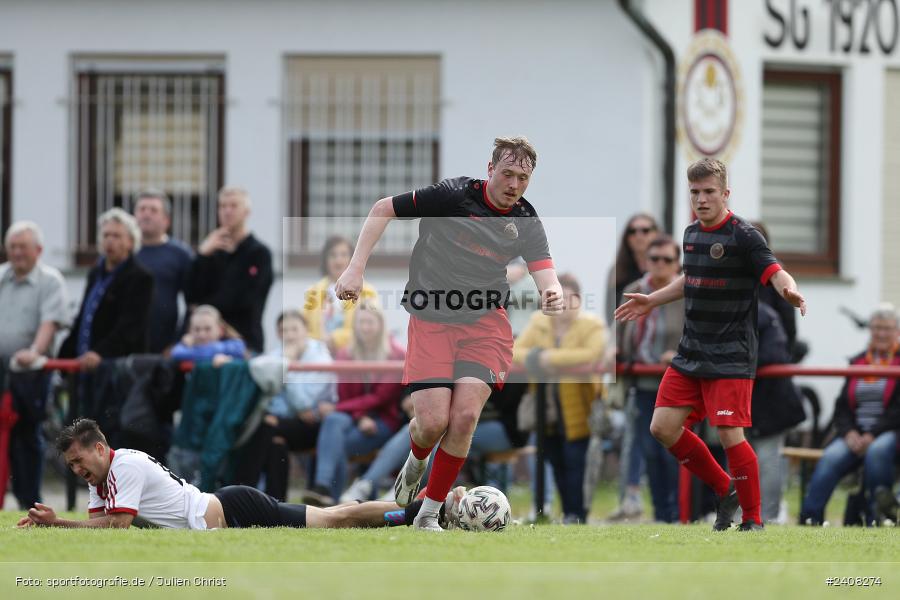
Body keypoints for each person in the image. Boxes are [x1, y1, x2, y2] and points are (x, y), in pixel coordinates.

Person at [334, 136, 564, 531]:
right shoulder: (453, 195)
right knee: (432, 422)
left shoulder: (524, 219)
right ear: (490, 170)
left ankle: (427, 515)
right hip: (432, 318)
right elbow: (382, 209)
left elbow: (546, 272)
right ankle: (417, 458)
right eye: (507, 174)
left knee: (465, 416)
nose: (514, 184)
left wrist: (552, 291)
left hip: (485, 324)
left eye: (523, 178)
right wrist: (355, 269)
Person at [615, 158, 807, 531]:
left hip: (732, 353)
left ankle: (752, 520)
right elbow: (691, 278)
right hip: (692, 351)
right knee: (662, 427)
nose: (701, 199)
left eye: (708, 192)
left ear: (725, 194)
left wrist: (790, 290)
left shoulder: (745, 236)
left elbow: (773, 269)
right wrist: (652, 299)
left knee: (729, 434)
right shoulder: (691, 234)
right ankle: (724, 488)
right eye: (695, 192)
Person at [16, 418, 463, 531]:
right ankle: (423, 509)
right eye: (71, 466)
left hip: (235, 509)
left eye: (80, 461)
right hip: (225, 506)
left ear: (100, 447)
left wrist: (59, 523)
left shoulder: (123, 466)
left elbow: (115, 525)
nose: (77, 471)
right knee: (336, 517)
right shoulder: (104, 476)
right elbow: (99, 524)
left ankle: (428, 509)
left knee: (335, 519)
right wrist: (56, 525)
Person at [513, 273, 606, 523]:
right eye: (557, 296)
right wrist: (538, 357)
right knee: (555, 461)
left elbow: (592, 353)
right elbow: (515, 352)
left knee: (577, 464)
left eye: (569, 297)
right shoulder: (539, 322)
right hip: (547, 409)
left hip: (581, 407)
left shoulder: (591, 325)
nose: (563, 302)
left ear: (578, 299)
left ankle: (577, 514)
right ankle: (566, 515)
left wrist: (547, 359)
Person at [799, 305, 900, 526]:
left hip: (889, 432)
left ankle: (879, 517)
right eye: (876, 328)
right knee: (830, 457)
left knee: (877, 451)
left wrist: (872, 434)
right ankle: (809, 518)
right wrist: (849, 432)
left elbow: (897, 410)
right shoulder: (858, 362)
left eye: (887, 328)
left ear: (897, 331)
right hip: (855, 433)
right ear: (870, 330)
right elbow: (842, 406)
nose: (881, 333)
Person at [305, 300, 405, 505]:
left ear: (380, 325)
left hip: (383, 420)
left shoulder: (396, 354)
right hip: (352, 414)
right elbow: (345, 395)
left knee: (336, 443)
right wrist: (359, 416)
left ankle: (330, 499)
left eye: (370, 322)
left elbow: (381, 398)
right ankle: (323, 488)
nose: (365, 327)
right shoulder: (345, 353)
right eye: (361, 322)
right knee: (332, 420)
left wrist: (346, 411)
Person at [0, 221, 70, 508]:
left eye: (23, 247)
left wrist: (34, 351)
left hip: (30, 374)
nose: (17, 253)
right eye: (12, 247)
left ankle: (30, 502)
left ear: (38, 250)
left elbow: (49, 324)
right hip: (0, 369)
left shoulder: (50, 280)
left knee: (27, 437)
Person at [617, 235, 684, 523]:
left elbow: (696, 333)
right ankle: (661, 514)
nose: (659, 265)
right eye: (653, 259)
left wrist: (678, 356)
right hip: (642, 385)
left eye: (666, 259)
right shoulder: (634, 290)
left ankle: (679, 513)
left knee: (673, 453)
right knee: (649, 452)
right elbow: (620, 330)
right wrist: (616, 351)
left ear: (677, 263)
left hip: (677, 385)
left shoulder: (685, 291)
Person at [232, 311, 334, 501]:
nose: (289, 335)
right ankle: (274, 505)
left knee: (266, 426)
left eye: (294, 329)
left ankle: (239, 493)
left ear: (306, 330)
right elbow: (271, 398)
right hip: (283, 423)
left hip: (314, 426)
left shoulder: (321, 359)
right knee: (275, 443)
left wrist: (286, 367)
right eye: (283, 330)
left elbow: (303, 404)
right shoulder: (274, 354)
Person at [60, 208, 154, 369]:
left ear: (131, 242)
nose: (110, 241)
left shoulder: (140, 278)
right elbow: (84, 316)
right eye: (106, 235)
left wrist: (100, 352)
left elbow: (130, 327)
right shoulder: (95, 273)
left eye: (116, 236)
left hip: (116, 368)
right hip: (85, 364)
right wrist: (64, 356)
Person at [188, 186, 273, 354]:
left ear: (247, 212)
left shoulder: (259, 254)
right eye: (223, 206)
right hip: (204, 345)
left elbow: (245, 300)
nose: (227, 211)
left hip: (244, 344)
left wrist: (204, 307)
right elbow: (190, 295)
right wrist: (202, 255)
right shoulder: (211, 251)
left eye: (233, 206)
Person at [747, 301, 805, 524]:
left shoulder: (763, 315)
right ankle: (747, 513)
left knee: (767, 458)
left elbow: (774, 355)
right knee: (749, 458)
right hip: (753, 398)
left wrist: (734, 363)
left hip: (770, 401)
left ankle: (769, 515)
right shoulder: (757, 312)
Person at [133, 189, 193, 353]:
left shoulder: (181, 255)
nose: (146, 215)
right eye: (142, 209)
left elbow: (193, 303)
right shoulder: (123, 253)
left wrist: (178, 342)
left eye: (153, 210)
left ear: (166, 220)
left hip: (165, 348)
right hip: (125, 346)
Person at [303, 236, 378, 353]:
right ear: (325, 260)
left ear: (352, 259)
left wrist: (335, 339)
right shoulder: (313, 291)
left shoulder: (367, 292)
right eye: (333, 255)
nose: (338, 260)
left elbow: (372, 328)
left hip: (354, 355)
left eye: (343, 255)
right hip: (319, 355)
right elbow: (304, 326)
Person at [606, 213, 659, 327]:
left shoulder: (666, 267)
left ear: (656, 234)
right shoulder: (616, 271)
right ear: (627, 237)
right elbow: (610, 312)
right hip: (624, 335)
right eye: (632, 231)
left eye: (645, 230)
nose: (639, 236)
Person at [169, 304, 248, 367]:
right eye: (197, 329)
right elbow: (176, 353)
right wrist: (185, 344)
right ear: (190, 331)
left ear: (220, 330)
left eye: (208, 329)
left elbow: (239, 348)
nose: (201, 334)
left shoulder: (234, 345)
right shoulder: (184, 348)